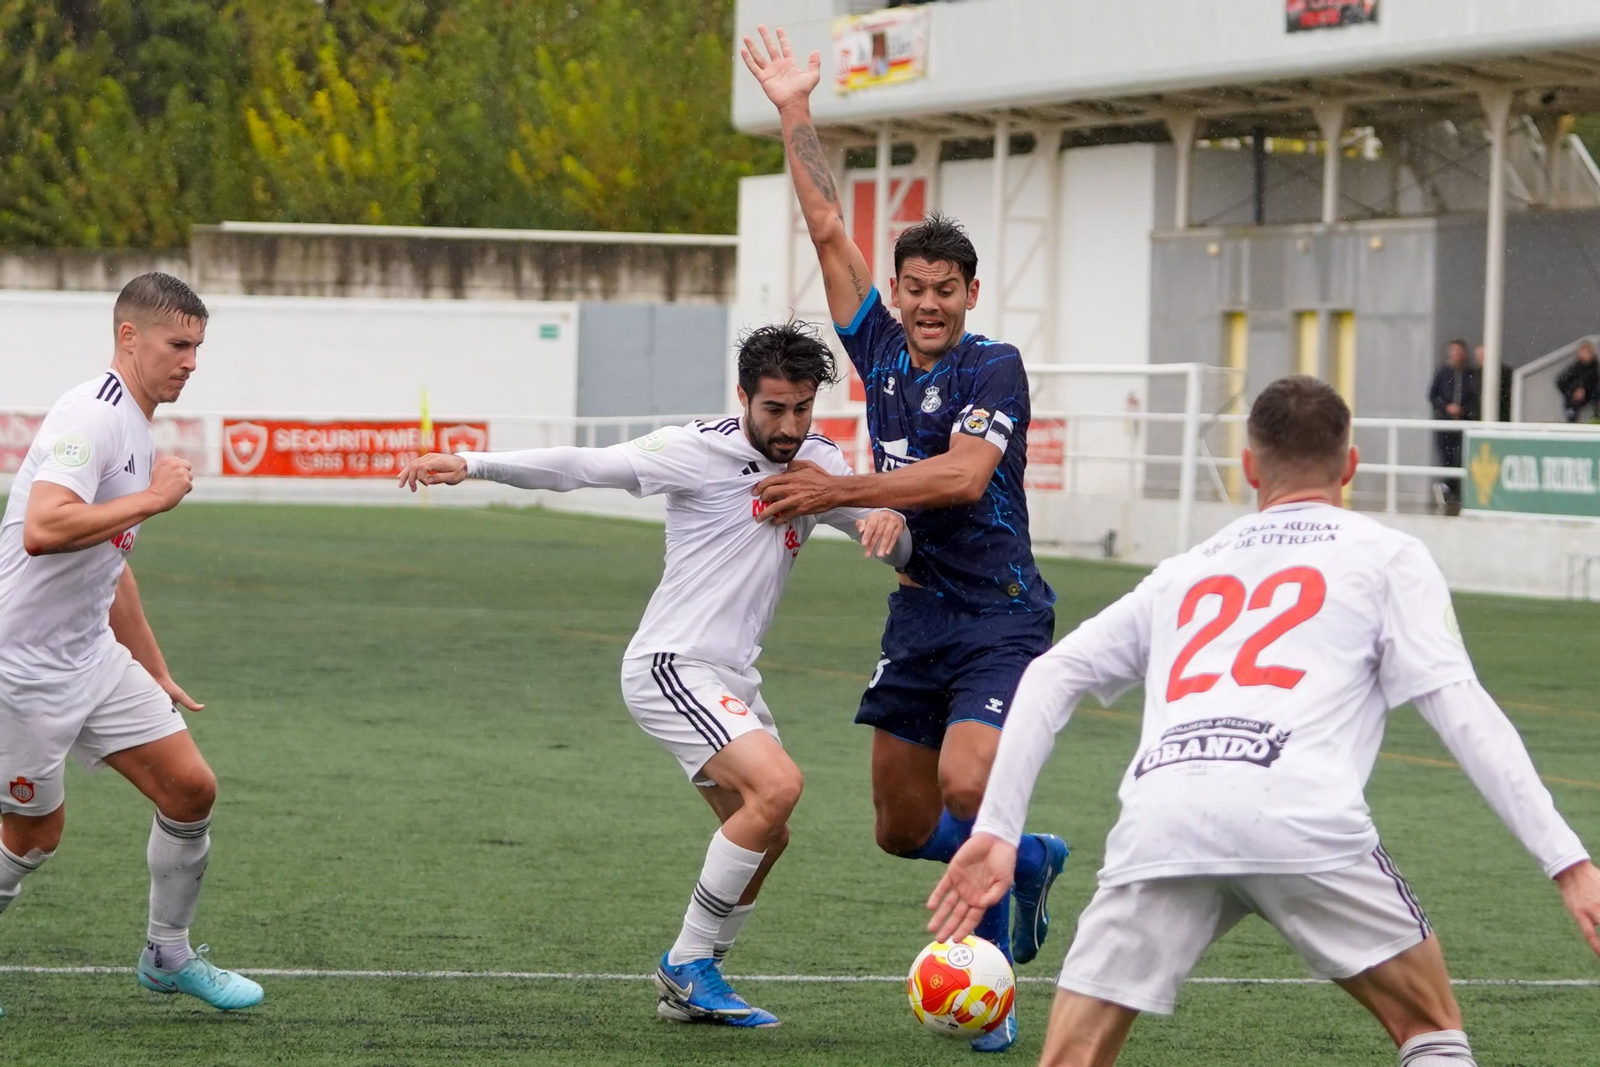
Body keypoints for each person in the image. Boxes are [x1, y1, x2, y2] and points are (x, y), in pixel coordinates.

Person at [927, 375, 1600, 1067]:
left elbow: (1048, 674)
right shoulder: (1387, 555)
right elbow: (1463, 711)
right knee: (1431, 1029)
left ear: (1249, 466)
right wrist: (1569, 863)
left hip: (1166, 814)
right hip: (1299, 813)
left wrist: (1000, 829)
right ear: (1350, 464)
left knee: (1071, 1058)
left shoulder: (1184, 570)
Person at [397, 321, 910, 1029]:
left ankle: (695, 980)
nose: (789, 426)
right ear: (743, 397)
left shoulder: (816, 461)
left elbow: (883, 533)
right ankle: (688, 962)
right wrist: (474, 463)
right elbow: (582, 465)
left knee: (768, 826)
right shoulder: (694, 451)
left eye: (801, 408)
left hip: (730, 675)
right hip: (672, 663)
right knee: (779, 784)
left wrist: (884, 519)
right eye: (774, 410)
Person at [742, 25, 1067, 1052]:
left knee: (973, 787)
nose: (926, 304)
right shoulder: (875, 340)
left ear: (970, 295)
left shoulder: (993, 367)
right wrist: (796, 107)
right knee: (895, 826)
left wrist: (846, 485)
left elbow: (963, 477)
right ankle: (1029, 857)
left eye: (944, 290)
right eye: (913, 287)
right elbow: (827, 226)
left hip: (1001, 614)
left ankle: (994, 972)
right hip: (921, 614)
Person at [0, 273, 264, 1015]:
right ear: (129, 337)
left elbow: (111, 570)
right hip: (21, 668)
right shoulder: (91, 416)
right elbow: (44, 529)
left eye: (197, 347)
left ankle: (167, 953)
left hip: (91, 655)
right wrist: (154, 496)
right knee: (33, 837)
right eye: (178, 344)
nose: (190, 361)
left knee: (190, 788)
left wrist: (154, 668)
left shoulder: (137, 428)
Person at [1427, 340, 1480, 513]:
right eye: (1453, 351)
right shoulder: (1443, 372)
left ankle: (1454, 493)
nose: (1456, 355)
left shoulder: (1470, 374)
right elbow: (1433, 395)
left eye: (1459, 351)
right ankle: (1447, 491)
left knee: (1461, 458)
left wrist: (1464, 410)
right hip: (1445, 423)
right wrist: (1446, 407)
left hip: (1464, 423)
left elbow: (1475, 396)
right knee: (1447, 459)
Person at [1557, 341, 1599, 423]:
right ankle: (1572, 419)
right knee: (1569, 397)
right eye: (1582, 351)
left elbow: (1592, 380)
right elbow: (1560, 381)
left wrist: (1583, 388)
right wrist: (1574, 390)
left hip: (1590, 394)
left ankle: (1596, 416)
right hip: (1576, 397)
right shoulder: (1575, 367)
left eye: (1587, 351)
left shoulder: (1595, 367)